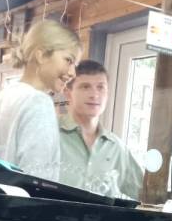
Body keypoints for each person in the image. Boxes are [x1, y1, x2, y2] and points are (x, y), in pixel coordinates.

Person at [0, 20, 80, 181]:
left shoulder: (0, 98)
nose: (73, 72)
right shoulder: (39, 102)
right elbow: (37, 181)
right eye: (68, 60)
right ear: (41, 55)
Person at [59, 60, 143, 199]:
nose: (94, 95)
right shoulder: (51, 134)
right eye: (85, 87)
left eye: (100, 87)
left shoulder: (117, 148)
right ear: (68, 93)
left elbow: (142, 198)